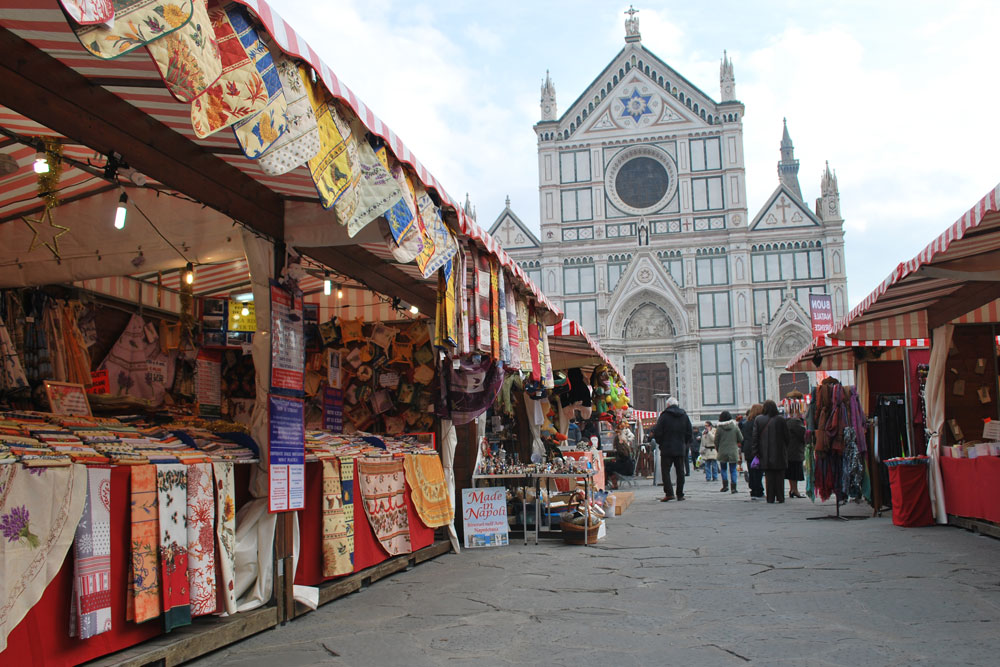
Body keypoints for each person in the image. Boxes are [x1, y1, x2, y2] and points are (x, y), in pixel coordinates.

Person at [651, 397, 693, 501]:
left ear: (668, 405)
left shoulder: (664, 416)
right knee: (680, 471)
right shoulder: (684, 416)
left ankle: (669, 493)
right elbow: (689, 432)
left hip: (667, 448)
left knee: (666, 471)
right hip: (680, 448)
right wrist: (684, 443)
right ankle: (680, 494)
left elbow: (657, 432)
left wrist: (661, 443)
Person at [750, 399, 790, 503]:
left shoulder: (758, 419)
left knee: (769, 476)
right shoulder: (781, 419)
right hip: (780, 452)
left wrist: (756, 451)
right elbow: (787, 436)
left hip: (765, 453)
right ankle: (780, 497)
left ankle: (770, 497)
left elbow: (755, 437)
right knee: (780, 476)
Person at [714, 410, 743, 494]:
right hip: (733, 451)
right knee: (733, 469)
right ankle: (733, 488)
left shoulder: (719, 428)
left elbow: (716, 440)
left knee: (723, 469)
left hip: (722, 451)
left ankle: (725, 486)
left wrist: (718, 449)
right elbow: (741, 438)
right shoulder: (735, 427)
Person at [741, 404, 764, 500]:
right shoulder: (758, 422)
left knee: (752, 469)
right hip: (756, 448)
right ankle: (758, 490)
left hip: (747, 448)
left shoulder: (746, 423)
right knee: (758, 470)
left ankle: (753, 490)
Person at [785, 403, 807, 498]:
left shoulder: (786, 422)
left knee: (791, 471)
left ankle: (792, 489)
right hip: (796, 450)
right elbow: (803, 436)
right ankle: (795, 490)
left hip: (788, 450)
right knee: (795, 471)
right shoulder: (797, 423)